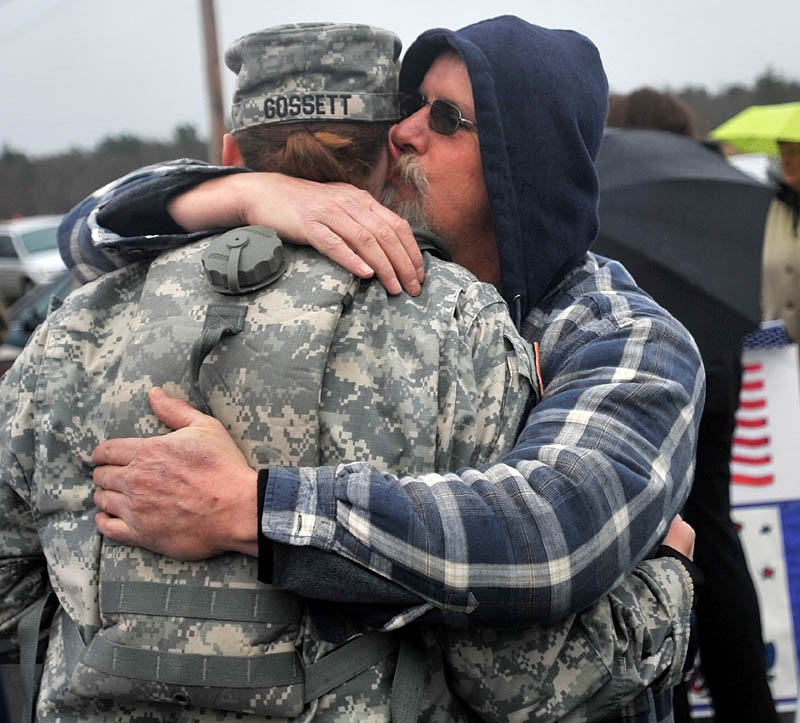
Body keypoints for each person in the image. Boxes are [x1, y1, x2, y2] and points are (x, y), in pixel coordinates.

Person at [1, 21, 697, 723]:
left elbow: (545, 531)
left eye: (446, 118)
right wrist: (246, 195)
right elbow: (86, 233)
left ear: (525, 163)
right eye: (408, 107)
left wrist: (256, 509)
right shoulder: (395, 285)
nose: (403, 133)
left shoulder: (622, 338)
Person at [605, 88, 779, 722]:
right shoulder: (703, 184)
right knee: (717, 536)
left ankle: (671, 693)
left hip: (651, 382)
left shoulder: (610, 185)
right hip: (718, 369)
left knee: (657, 546)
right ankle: (748, 703)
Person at [762, 140, 800, 342]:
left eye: (793, 152)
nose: (785, 161)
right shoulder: (770, 206)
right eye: (781, 153)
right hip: (776, 351)